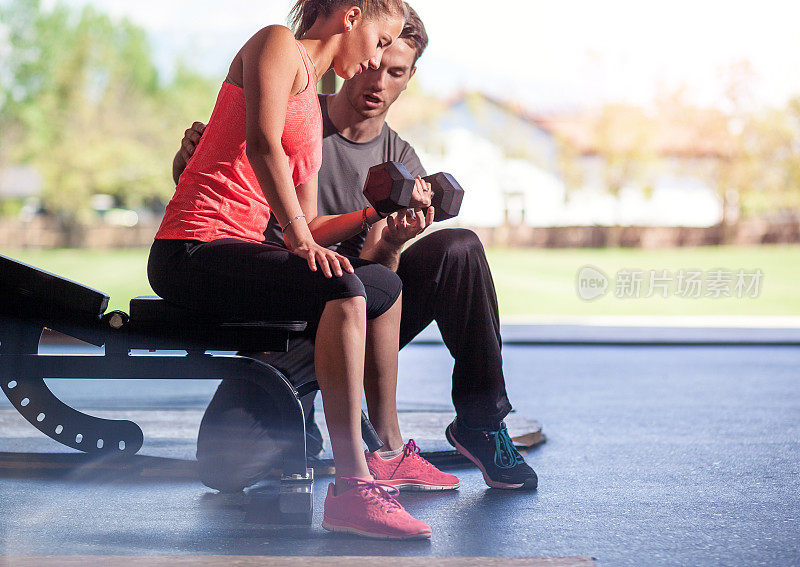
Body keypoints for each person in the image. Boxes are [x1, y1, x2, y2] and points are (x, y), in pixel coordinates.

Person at [174, 4, 538, 492]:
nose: (378, 78)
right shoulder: (295, 100)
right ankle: (303, 419)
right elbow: (229, 195)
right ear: (358, 39)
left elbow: (379, 273)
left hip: (355, 301)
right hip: (284, 312)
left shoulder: (402, 158)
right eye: (376, 55)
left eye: (396, 71)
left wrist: (389, 240)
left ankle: (478, 422)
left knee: (459, 249)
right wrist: (188, 162)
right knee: (226, 464)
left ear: (409, 78)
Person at [152, 0, 462, 540]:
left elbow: (311, 223)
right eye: (381, 40)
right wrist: (297, 239)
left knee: (381, 284)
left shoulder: (313, 113)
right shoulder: (278, 45)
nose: (377, 58)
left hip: (241, 255)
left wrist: (374, 213)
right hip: (191, 249)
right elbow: (261, 143)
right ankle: (353, 488)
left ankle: (376, 449)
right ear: (351, 16)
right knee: (341, 284)